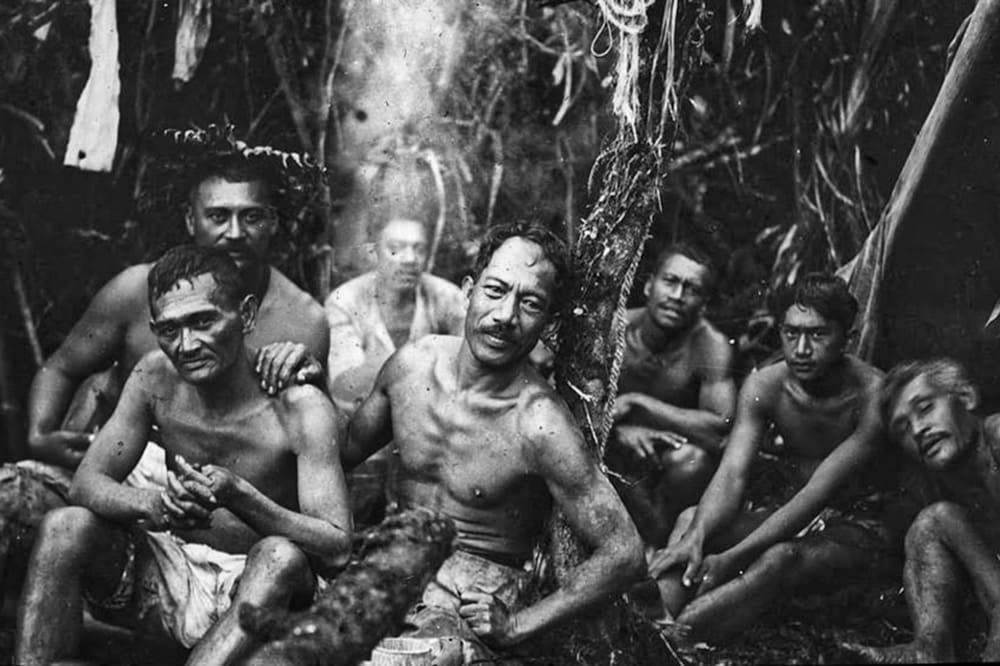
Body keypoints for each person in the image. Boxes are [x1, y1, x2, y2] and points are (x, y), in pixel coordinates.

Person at [15, 246, 352, 666]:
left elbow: (337, 546)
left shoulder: (298, 405)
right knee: (65, 525)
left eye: (203, 321)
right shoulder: (154, 376)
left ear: (245, 316)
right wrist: (157, 504)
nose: (187, 344)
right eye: (169, 330)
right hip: (174, 573)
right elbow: (87, 484)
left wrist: (241, 496)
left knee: (279, 557)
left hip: (260, 593)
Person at [5, 149, 330, 580]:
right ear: (190, 220)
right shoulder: (133, 290)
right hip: (117, 471)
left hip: (223, 505)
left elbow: (313, 443)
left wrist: (310, 373)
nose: (234, 233)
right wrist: (41, 432)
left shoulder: (302, 318)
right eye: (218, 216)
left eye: (251, 217)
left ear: (272, 223)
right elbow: (61, 368)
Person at [343, 222, 644, 662]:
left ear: (548, 322)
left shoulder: (540, 423)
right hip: (388, 574)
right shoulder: (412, 365)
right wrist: (299, 380)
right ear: (468, 290)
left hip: (469, 602)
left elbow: (625, 552)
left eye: (530, 303)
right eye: (496, 290)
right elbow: (342, 450)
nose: (505, 316)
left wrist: (520, 624)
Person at [646, 273, 894, 644]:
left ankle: (672, 640)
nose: (801, 349)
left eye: (818, 334)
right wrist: (696, 536)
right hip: (792, 516)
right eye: (791, 333)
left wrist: (733, 556)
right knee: (690, 522)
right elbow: (732, 474)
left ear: (848, 338)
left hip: (860, 527)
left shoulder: (875, 394)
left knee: (779, 558)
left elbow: (818, 494)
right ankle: (653, 618)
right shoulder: (767, 385)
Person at [843, 359, 1000, 663]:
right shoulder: (937, 486)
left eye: (926, 408)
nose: (917, 429)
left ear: (966, 398)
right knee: (932, 522)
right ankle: (930, 649)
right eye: (902, 427)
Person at [609, 244, 736, 545]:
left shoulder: (710, 346)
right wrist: (619, 429)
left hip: (662, 459)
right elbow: (566, 402)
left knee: (692, 462)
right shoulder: (616, 329)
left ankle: (658, 547)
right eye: (670, 281)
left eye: (690, 289)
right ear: (649, 285)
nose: (677, 297)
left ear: (703, 303)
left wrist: (637, 404)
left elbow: (720, 432)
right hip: (606, 449)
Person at [324, 216, 465, 414]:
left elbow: (468, 370)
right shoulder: (344, 301)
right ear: (375, 253)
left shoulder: (446, 296)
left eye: (419, 249)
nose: (409, 259)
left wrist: (378, 367)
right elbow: (344, 387)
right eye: (395, 248)